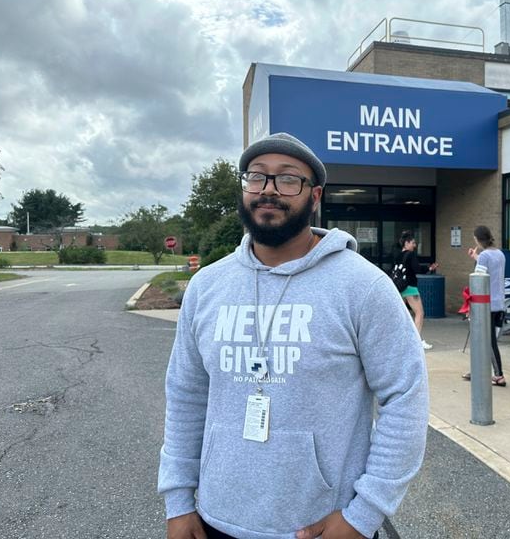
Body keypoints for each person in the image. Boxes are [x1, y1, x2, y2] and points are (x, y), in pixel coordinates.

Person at [158, 132, 429, 539]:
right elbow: (186, 394)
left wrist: (364, 514)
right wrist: (178, 500)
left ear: (314, 196)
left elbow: (405, 396)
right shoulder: (207, 286)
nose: (269, 190)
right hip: (216, 518)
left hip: (321, 526)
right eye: (257, 177)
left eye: (288, 179)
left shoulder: (362, 286)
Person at [461, 226, 507, 386]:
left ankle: (499, 375)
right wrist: (476, 257)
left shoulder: (485, 256)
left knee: (487, 340)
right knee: (484, 338)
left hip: (485, 303)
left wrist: (470, 305)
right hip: (498, 302)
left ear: (478, 239)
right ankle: (479, 370)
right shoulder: (499, 254)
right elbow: (491, 271)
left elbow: (478, 279)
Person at [395, 230, 438, 350]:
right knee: (419, 313)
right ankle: (417, 340)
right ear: (407, 243)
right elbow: (417, 269)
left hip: (399, 288)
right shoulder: (411, 255)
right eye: (413, 243)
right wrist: (429, 268)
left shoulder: (398, 255)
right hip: (410, 288)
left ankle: (401, 339)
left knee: (403, 315)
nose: (414, 245)